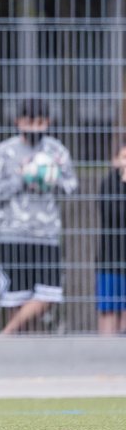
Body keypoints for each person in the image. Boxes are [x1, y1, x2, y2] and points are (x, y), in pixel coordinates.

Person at [0, 97, 77, 336]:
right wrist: (21, 179)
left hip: (47, 234)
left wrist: (51, 180)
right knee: (15, 299)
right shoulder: (4, 151)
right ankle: (20, 354)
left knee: (49, 295)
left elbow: (72, 185)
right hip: (13, 234)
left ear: (49, 122)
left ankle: (5, 335)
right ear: (18, 121)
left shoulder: (56, 150)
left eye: (41, 122)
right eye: (30, 121)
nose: (35, 127)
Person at [96, 143, 126, 335]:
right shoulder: (109, 183)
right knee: (108, 312)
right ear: (115, 160)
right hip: (110, 260)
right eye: (123, 157)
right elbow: (114, 215)